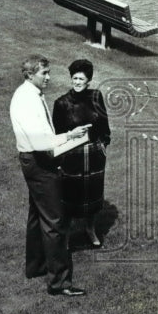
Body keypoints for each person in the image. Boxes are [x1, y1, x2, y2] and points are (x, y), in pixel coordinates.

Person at [9, 54, 89, 297]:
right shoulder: (27, 100)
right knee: (55, 221)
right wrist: (70, 137)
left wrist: (69, 136)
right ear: (30, 74)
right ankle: (59, 283)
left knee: (37, 216)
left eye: (48, 72)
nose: (49, 78)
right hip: (39, 162)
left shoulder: (29, 94)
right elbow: (41, 141)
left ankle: (36, 266)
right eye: (44, 73)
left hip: (33, 160)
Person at [52, 59, 111, 248]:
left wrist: (103, 145)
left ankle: (90, 228)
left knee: (93, 193)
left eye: (81, 79)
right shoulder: (61, 103)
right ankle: (67, 234)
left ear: (89, 81)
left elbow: (104, 125)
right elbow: (57, 135)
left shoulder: (96, 97)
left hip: (94, 155)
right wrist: (60, 160)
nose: (77, 82)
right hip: (72, 156)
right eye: (74, 78)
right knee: (70, 195)